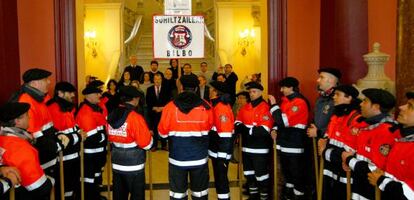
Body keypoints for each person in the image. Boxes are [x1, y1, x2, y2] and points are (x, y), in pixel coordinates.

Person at [158, 75, 213, 200]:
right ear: (196, 88)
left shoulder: (170, 107)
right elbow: (210, 128)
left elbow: (162, 133)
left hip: (177, 159)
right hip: (199, 159)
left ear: (181, 87)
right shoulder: (206, 106)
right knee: (200, 194)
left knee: (178, 195)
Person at [342, 88, 401, 200]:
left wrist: (350, 161)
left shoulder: (387, 131)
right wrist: (350, 160)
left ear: (376, 107)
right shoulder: (367, 126)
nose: (361, 104)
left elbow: (376, 169)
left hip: (373, 191)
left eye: (365, 101)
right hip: (360, 185)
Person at [11, 68, 69, 178]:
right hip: (40, 161)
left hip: (48, 157)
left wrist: (58, 135)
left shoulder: (39, 99)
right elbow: (33, 136)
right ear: (34, 83)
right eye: (45, 79)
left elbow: (47, 125)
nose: (49, 82)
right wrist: (56, 146)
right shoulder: (26, 101)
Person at [107, 86, 153, 200]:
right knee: (137, 196)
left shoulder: (111, 114)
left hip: (116, 162)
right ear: (135, 99)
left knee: (119, 195)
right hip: (134, 165)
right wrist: (150, 137)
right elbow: (146, 144)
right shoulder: (135, 117)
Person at [0, 102, 53, 199]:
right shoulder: (21, 147)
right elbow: (39, 187)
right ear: (17, 121)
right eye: (27, 115)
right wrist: (50, 182)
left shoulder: (3, 137)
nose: (29, 118)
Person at [316, 85, 361, 200]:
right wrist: (324, 140)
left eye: (337, 95)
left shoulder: (355, 118)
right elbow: (329, 135)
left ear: (349, 98)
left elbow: (348, 151)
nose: (334, 97)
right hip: (330, 168)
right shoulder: (337, 114)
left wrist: (325, 151)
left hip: (344, 172)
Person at [269, 77, 310, 200]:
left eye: (283, 87)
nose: (281, 90)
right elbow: (278, 121)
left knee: (296, 172)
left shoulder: (299, 102)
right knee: (287, 171)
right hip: (284, 141)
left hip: (294, 142)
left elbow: (283, 121)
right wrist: (275, 129)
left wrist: (273, 105)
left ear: (291, 87)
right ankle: (289, 194)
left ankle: (298, 196)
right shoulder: (286, 101)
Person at [368, 91, 414, 200]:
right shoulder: (402, 139)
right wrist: (385, 175)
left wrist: (381, 181)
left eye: (410, 106)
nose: (401, 107)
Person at [235, 81, 273, 200]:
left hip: (260, 148)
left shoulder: (265, 107)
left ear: (261, 92)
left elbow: (264, 130)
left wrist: (245, 129)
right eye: (250, 92)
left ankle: (264, 197)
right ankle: (253, 196)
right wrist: (249, 128)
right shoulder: (245, 107)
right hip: (246, 147)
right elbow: (237, 123)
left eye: (254, 91)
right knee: (249, 173)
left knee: (261, 174)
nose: (251, 94)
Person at [46, 81, 81, 199]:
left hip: (73, 155)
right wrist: (79, 136)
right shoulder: (53, 108)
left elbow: (71, 127)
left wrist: (78, 131)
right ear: (60, 93)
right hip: (63, 159)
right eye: (70, 92)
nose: (73, 95)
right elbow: (59, 135)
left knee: (71, 187)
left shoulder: (67, 107)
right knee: (63, 189)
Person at [76, 85, 108, 200]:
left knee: (96, 176)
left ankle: (95, 195)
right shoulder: (85, 111)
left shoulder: (94, 107)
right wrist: (105, 137)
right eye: (97, 93)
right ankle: (90, 197)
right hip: (90, 154)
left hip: (98, 152)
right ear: (89, 96)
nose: (100, 95)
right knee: (89, 178)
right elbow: (92, 137)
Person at [208, 81, 235, 200]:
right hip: (216, 150)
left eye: (211, 89)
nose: (209, 90)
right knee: (219, 178)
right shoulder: (215, 105)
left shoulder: (221, 108)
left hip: (221, 153)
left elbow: (225, 134)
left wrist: (222, 157)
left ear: (215, 92)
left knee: (221, 179)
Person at [307, 67, 341, 138]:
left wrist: (319, 132)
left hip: (330, 141)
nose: (318, 80)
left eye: (321, 77)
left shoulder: (340, 99)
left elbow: (339, 124)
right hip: (318, 140)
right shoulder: (321, 98)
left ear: (331, 80)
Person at [146, 74, 171, 151]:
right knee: (154, 129)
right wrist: (154, 108)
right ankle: (154, 145)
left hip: (163, 112)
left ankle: (164, 145)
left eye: (159, 79)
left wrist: (162, 108)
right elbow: (148, 101)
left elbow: (169, 100)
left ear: (161, 80)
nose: (157, 80)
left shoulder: (166, 88)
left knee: (163, 128)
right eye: (156, 79)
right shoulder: (149, 89)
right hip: (153, 112)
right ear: (153, 80)